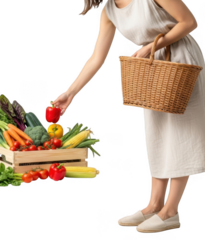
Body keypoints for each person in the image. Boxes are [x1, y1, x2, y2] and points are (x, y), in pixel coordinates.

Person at [52, 0, 205, 234]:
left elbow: (189, 22)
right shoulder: (109, 11)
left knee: (180, 133)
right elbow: (96, 58)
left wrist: (150, 46)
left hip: (179, 60)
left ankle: (171, 211)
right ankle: (154, 205)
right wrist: (70, 94)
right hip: (150, 66)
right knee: (157, 135)